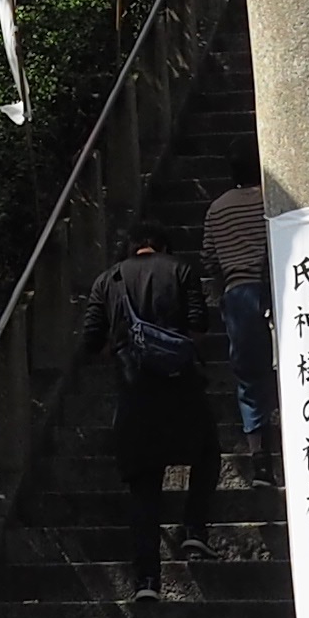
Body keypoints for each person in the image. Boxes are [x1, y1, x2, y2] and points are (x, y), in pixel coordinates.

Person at [85, 228, 217, 590]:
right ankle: (194, 527)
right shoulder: (180, 270)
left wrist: (126, 351)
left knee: (144, 487)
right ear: (162, 246)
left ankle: (147, 580)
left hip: (134, 394)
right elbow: (198, 325)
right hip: (181, 389)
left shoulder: (106, 280)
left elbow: (91, 340)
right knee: (207, 452)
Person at [198, 176, 275, 479]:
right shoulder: (268, 201)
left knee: (248, 377)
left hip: (237, 294)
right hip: (276, 287)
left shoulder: (216, 209)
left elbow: (208, 259)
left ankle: (259, 456)